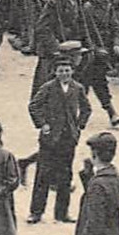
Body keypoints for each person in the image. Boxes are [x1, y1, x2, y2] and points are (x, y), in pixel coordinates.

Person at [26, 44, 91, 222]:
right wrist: (42, 124)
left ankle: (62, 213)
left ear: (72, 71)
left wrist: (79, 126)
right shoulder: (48, 87)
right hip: (49, 138)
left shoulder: (77, 88)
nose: (64, 74)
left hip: (68, 138)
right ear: (55, 72)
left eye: (67, 70)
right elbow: (34, 106)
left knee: (65, 176)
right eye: (61, 70)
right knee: (43, 175)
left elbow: (86, 109)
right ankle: (36, 212)